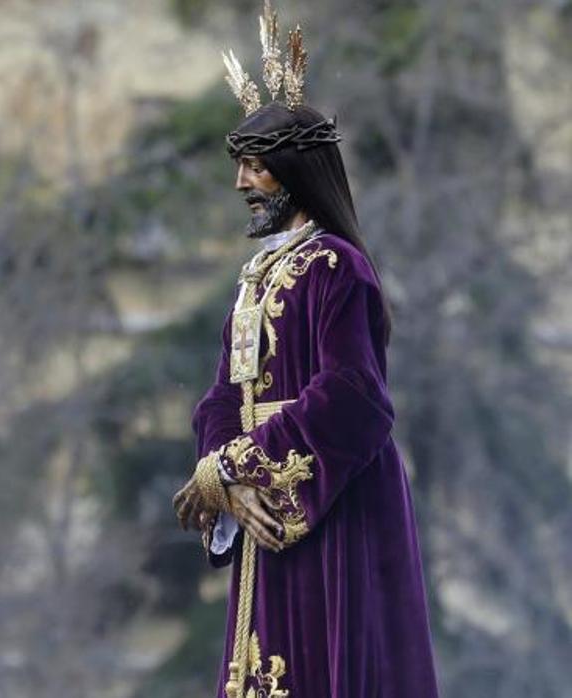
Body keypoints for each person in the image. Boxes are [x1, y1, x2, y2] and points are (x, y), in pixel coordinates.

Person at [170, 3, 439, 696]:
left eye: (255, 168)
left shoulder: (336, 267)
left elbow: (353, 397)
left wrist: (239, 464)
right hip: (265, 502)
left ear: (295, 170)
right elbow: (222, 394)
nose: (240, 184)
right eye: (240, 168)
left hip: (331, 501)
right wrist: (221, 477)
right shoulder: (255, 277)